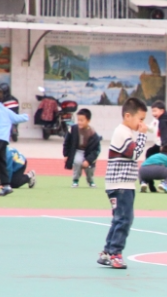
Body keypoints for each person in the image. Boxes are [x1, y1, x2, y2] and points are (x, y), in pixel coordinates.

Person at [98, 98, 149, 270]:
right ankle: (115, 254)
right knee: (125, 219)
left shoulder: (126, 132)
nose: (142, 123)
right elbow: (134, 154)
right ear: (128, 116)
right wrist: (143, 135)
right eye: (140, 119)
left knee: (118, 218)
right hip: (120, 185)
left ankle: (107, 252)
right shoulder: (122, 132)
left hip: (122, 184)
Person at [63, 108, 101, 188]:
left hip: (89, 152)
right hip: (78, 150)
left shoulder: (93, 133)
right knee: (77, 161)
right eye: (78, 120)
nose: (79, 122)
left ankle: (90, 181)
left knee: (89, 166)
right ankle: (75, 180)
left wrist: (88, 160)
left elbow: (96, 149)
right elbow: (66, 142)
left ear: (88, 121)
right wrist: (66, 155)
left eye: (82, 120)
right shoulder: (73, 129)